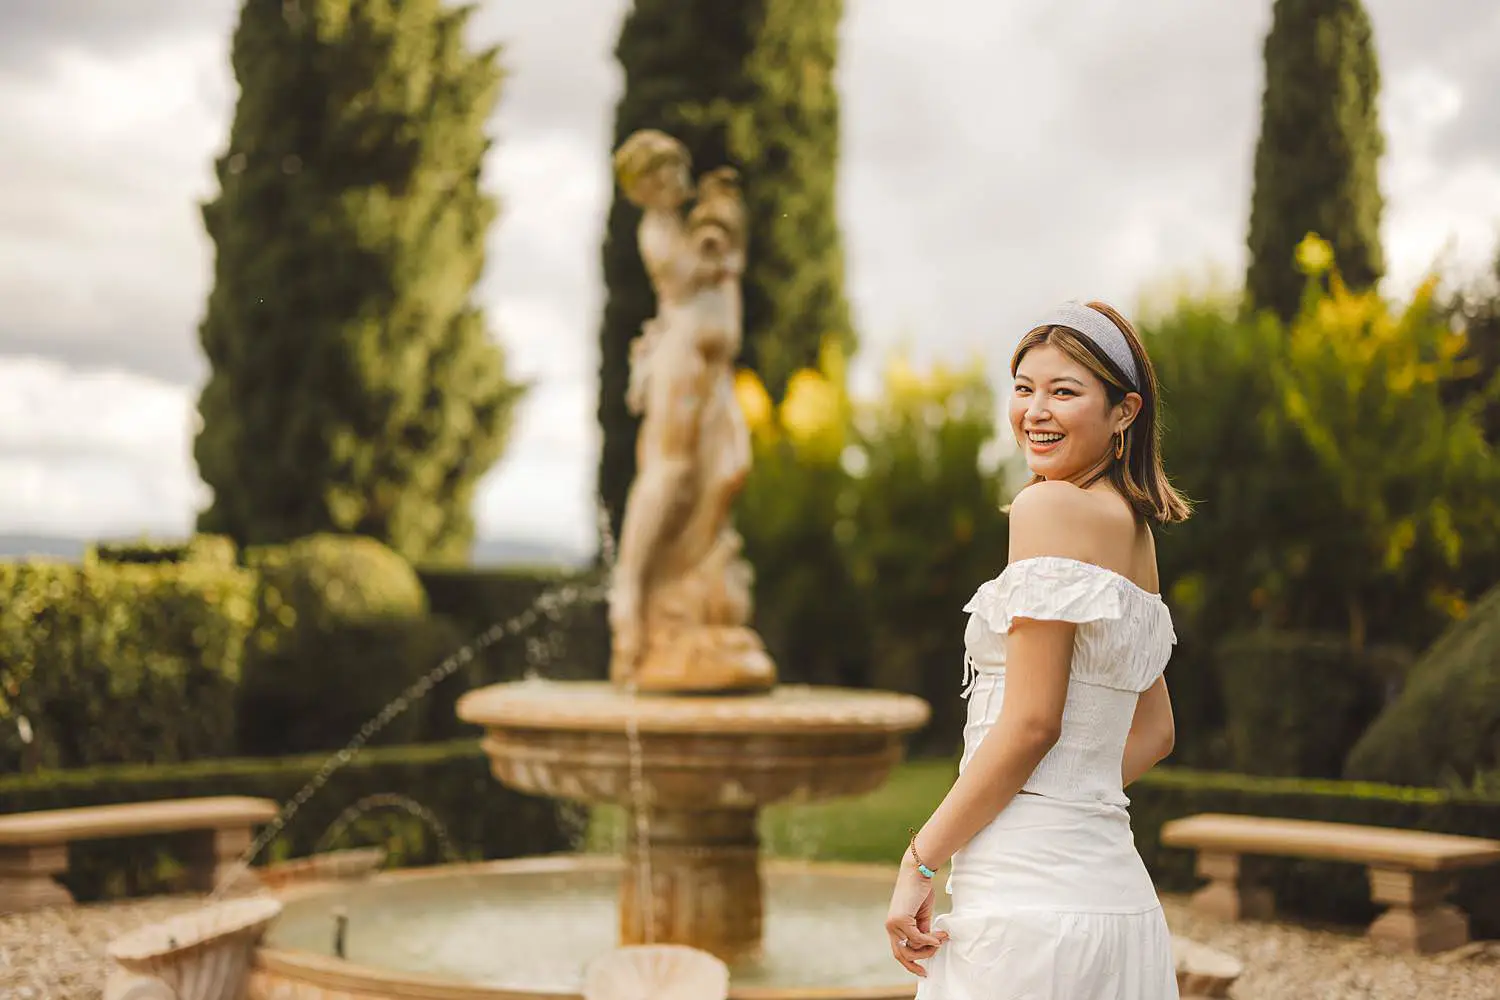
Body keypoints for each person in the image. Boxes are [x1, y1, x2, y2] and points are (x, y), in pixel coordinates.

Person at [885, 300, 1191, 998]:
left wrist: (921, 861)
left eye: (1064, 391)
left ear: (1124, 411)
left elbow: (1030, 723)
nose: (1035, 411)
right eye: (1024, 387)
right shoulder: (1133, 532)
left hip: (1029, 910)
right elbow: (1156, 731)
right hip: (1119, 902)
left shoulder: (1046, 508)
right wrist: (1070, 798)